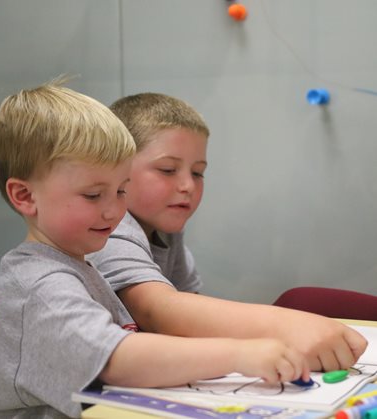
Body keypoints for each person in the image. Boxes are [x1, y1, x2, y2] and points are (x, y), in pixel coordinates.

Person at [0, 81, 310, 419]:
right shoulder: (40, 286)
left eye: (121, 191)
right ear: (25, 196)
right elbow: (117, 359)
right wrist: (240, 355)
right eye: (93, 195)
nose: (114, 212)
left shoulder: (78, 263)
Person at [87, 93, 368, 373]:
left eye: (198, 173)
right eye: (168, 169)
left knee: (304, 300)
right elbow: (159, 311)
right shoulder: (111, 229)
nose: (187, 185)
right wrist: (284, 325)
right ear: (117, 169)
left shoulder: (165, 230)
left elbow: (190, 313)